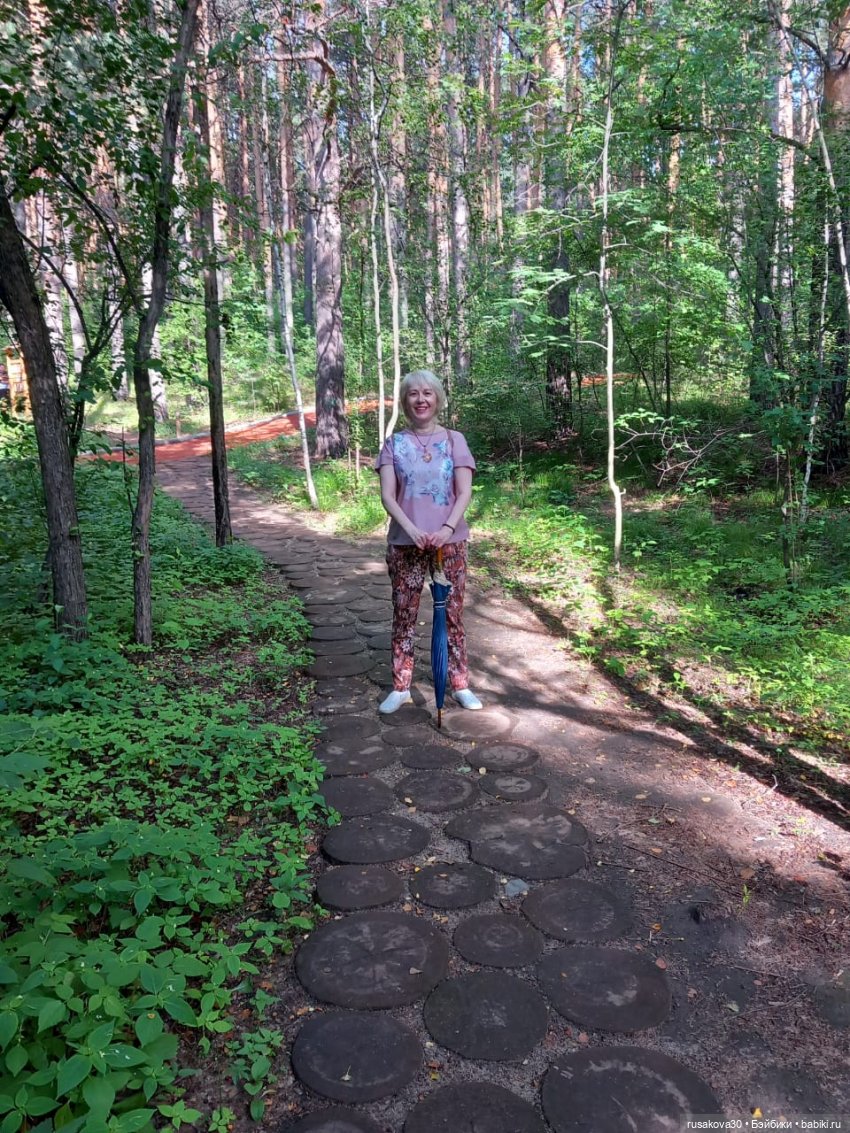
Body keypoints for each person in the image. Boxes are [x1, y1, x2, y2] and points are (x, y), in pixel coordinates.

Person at [374, 369, 482, 715]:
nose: (420, 400)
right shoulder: (394, 444)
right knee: (403, 613)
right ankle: (400, 687)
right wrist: (412, 530)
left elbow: (464, 492)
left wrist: (447, 529)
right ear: (405, 401)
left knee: (452, 614)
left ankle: (460, 684)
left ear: (438, 399)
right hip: (405, 544)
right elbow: (388, 496)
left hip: (450, 543)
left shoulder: (454, 440)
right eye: (413, 394)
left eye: (427, 393)